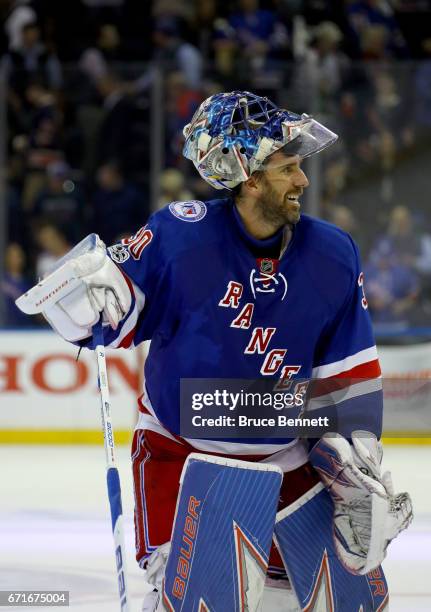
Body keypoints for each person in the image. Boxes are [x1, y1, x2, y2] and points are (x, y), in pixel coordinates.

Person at [20, 91, 412, 610]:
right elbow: (110, 324)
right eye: (288, 168)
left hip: (288, 461)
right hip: (181, 459)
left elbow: (347, 373)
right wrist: (84, 305)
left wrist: (354, 460)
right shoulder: (178, 236)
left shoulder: (333, 253)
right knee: (192, 601)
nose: (303, 181)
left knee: (309, 600)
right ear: (248, 177)